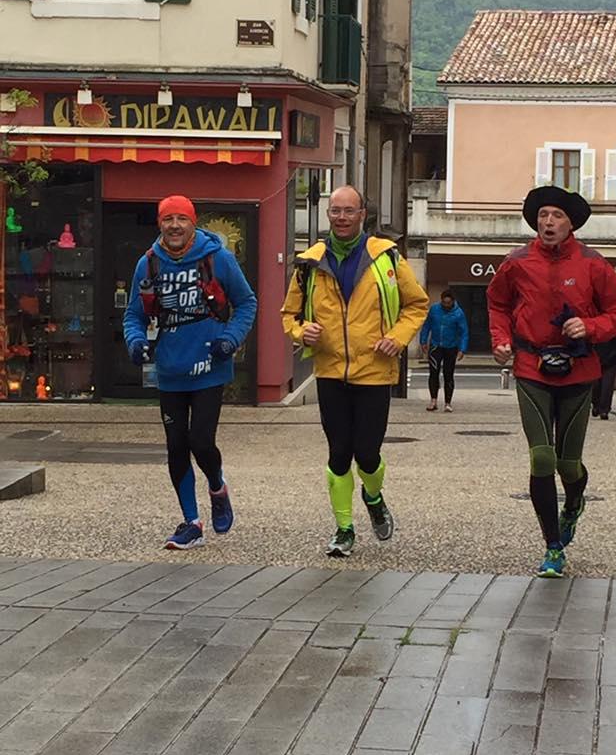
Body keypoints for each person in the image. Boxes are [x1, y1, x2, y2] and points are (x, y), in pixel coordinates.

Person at [487, 185, 616, 578]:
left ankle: (573, 503)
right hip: (531, 367)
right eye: (543, 216)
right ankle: (553, 547)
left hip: (578, 369)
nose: (548, 222)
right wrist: (500, 339)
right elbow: (497, 303)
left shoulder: (593, 264)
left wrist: (590, 326)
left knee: (568, 465)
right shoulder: (517, 262)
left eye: (557, 216)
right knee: (542, 458)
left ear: (571, 224)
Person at [280, 185, 429, 557]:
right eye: (336, 211)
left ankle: (373, 497)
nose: (342, 218)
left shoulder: (386, 257)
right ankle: (343, 529)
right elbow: (289, 314)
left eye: (349, 211)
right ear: (328, 215)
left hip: (374, 372)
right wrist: (301, 331)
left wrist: (397, 338)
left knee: (367, 453)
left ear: (363, 215)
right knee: (338, 453)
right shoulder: (309, 263)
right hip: (330, 372)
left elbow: (416, 305)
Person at [124, 195, 257, 550]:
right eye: (168, 219)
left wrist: (230, 339)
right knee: (176, 446)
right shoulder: (148, 264)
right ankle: (191, 522)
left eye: (181, 219)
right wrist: (136, 342)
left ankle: (217, 487)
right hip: (169, 370)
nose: (175, 226)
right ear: (159, 224)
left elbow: (247, 303)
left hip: (210, 367)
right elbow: (134, 316)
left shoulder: (218, 258)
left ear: (193, 223)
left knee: (201, 441)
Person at [419, 289, 469, 411]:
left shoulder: (458, 313)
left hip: (451, 347)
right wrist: (423, 341)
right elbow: (427, 325)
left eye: (448, 303)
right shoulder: (434, 309)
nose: (446, 305)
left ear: (453, 302)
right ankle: (433, 400)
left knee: (448, 374)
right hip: (436, 345)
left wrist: (462, 349)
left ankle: (448, 402)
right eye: (444, 303)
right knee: (433, 372)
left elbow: (464, 332)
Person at [591, 331, 616, 420]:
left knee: (607, 385)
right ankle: (596, 404)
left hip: (611, 360)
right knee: (595, 384)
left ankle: (604, 410)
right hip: (596, 358)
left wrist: (615, 354)